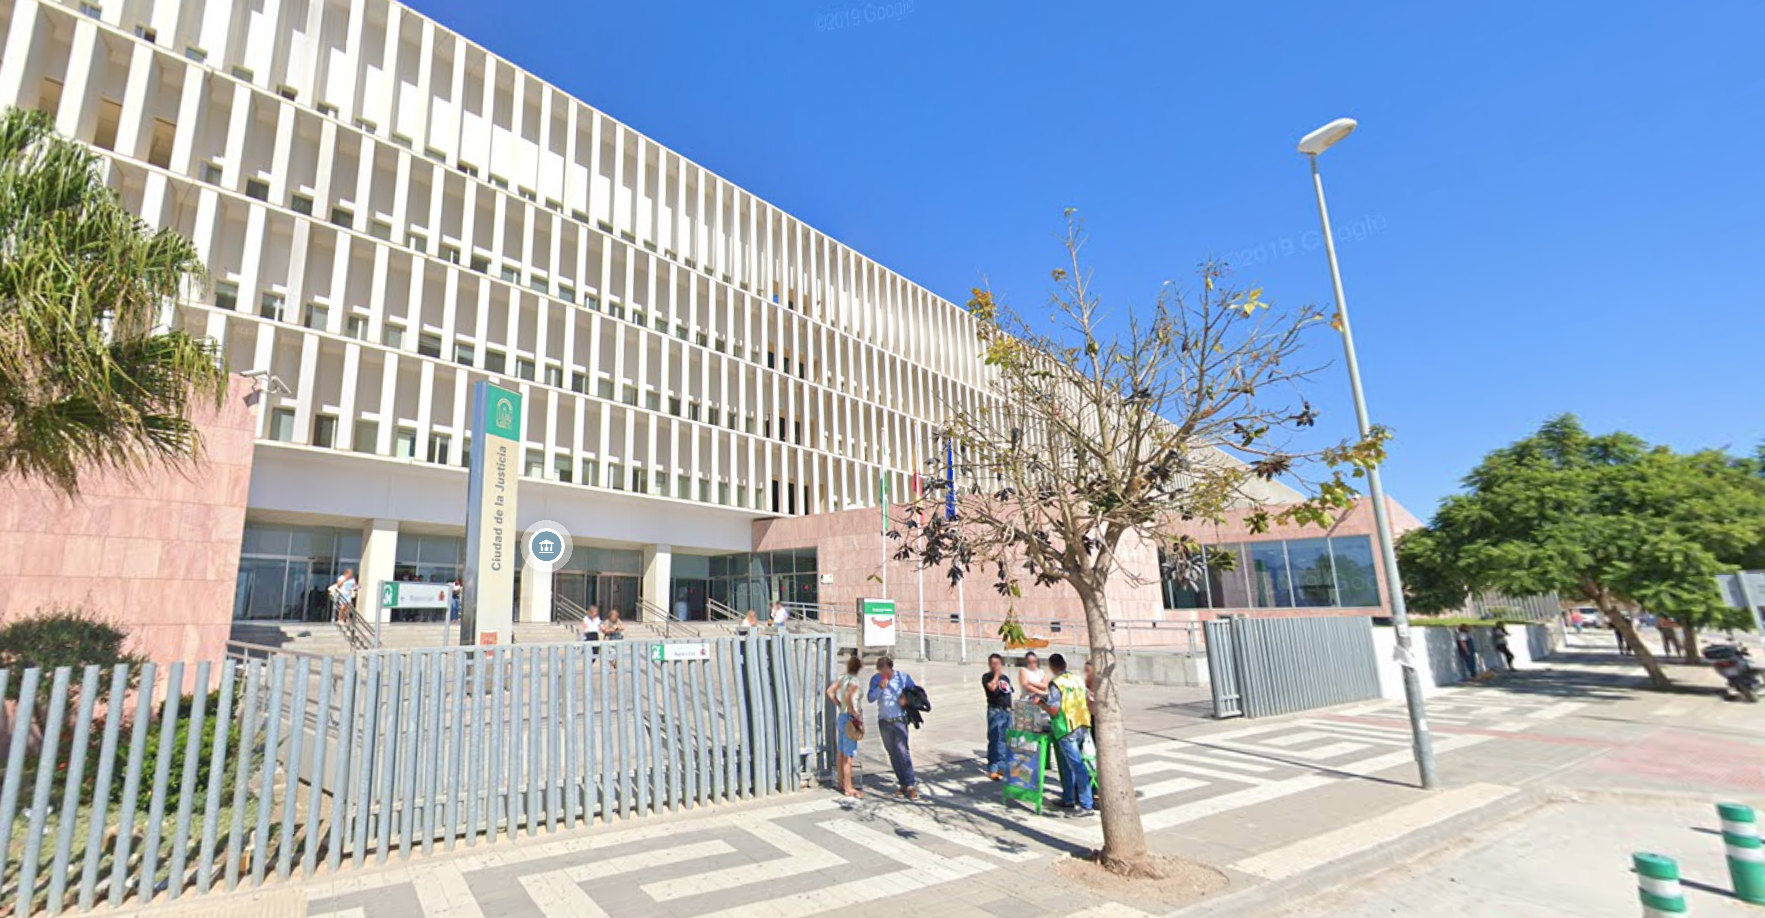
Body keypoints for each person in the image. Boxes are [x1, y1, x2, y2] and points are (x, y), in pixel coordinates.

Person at [1038, 654, 1094, 817]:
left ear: (1052, 666)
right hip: (1081, 725)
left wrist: (1040, 703)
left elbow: (1054, 710)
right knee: (1066, 765)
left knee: (1077, 766)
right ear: (1064, 664)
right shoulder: (1077, 680)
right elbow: (1088, 699)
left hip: (1066, 729)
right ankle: (1068, 798)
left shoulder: (1056, 683)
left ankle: (1086, 805)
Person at [867, 655, 920, 800]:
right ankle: (902, 783)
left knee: (903, 751)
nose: (884, 674)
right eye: (881, 671)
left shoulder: (902, 678)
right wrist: (880, 688)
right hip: (884, 720)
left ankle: (911, 784)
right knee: (892, 753)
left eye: (886, 671)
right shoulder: (876, 679)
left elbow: (915, 693)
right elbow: (870, 698)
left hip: (899, 719)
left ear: (891, 668)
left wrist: (906, 701)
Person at [827, 655, 865, 798]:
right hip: (850, 718)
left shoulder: (842, 678)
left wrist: (839, 704)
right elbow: (849, 696)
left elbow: (830, 691)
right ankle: (848, 787)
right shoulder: (854, 681)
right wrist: (853, 711)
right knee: (848, 755)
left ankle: (841, 782)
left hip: (842, 716)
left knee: (841, 752)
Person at [980, 653, 1013, 780]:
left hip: (1007, 711)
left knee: (1005, 739)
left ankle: (1002, 766)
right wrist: (996, 676)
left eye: (997, 663)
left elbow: (1008, 693)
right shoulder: (987, 677)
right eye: (992, 663)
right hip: (995, 711)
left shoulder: (1005, 678)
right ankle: (993, 767)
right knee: (995, 739)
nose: (995, 666)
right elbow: (992, 688)